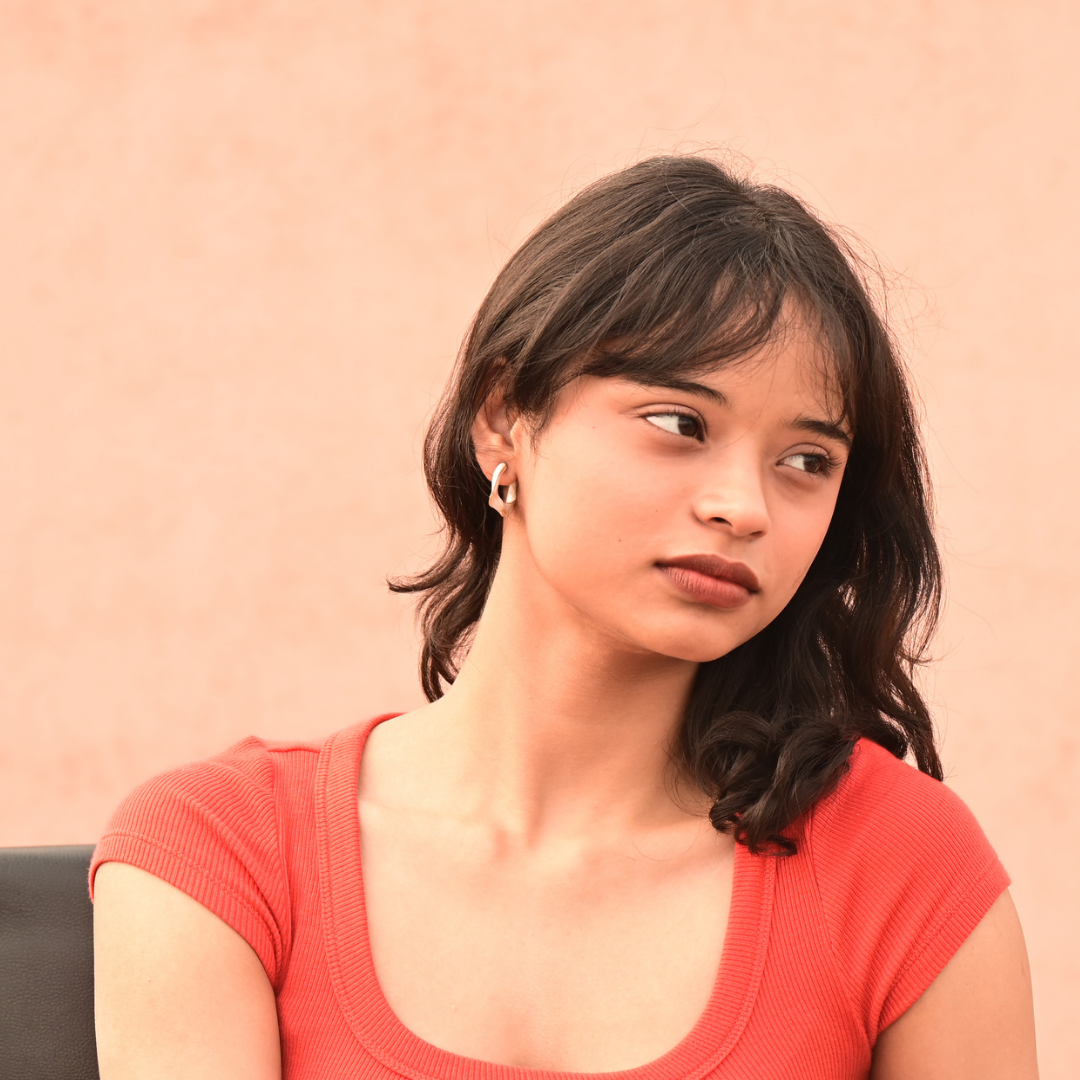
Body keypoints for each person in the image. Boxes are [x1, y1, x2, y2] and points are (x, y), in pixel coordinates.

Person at [91, 155, 1038, 1080]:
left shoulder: (904, 869)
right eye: (680, 423)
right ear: (504, 418)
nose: (743, 505)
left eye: (806, 461)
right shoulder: (220, 852)